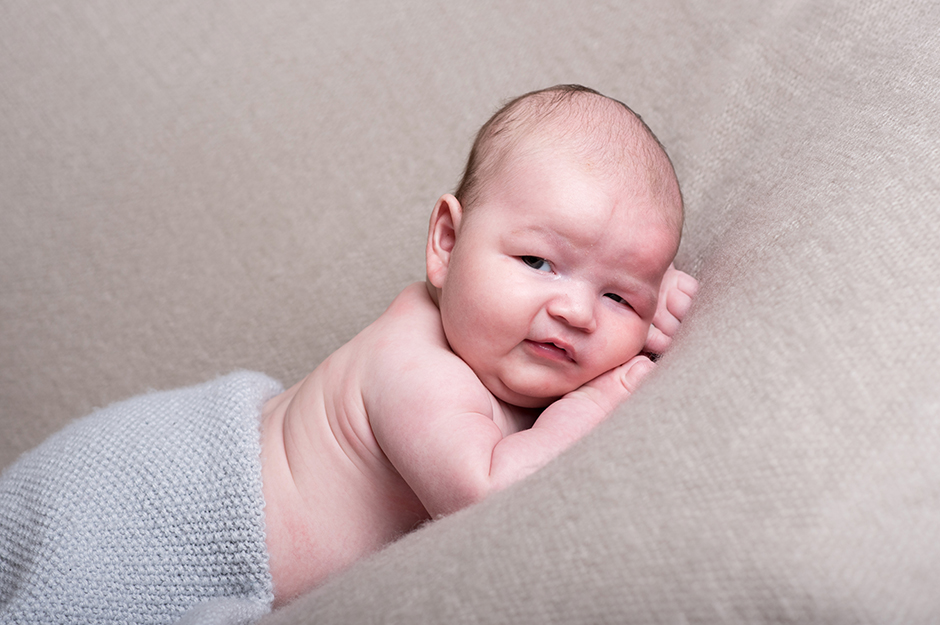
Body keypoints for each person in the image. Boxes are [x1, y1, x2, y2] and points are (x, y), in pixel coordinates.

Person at [0, 85, 698, 623]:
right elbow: (491, 492)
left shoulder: (502, 350)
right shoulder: (416, 361)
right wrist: (607, 392)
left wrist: (648, 296)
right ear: (446, 245)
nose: (574, 309)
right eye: (539, 260)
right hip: (159, 507)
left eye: (617, 298)